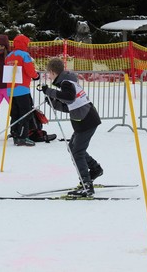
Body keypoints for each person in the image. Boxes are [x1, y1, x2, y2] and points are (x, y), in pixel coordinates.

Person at [40, 57, 103, 196]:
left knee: (77, 152)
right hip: (85, 119)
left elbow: (69, 98)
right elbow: (70, 105)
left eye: (49, 74)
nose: (49, 77)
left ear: (53, 72)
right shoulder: (68, 81)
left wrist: (49, 91)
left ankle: (87, 186)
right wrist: (53, 103)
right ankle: (95, 170)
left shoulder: (66, 83)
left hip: (86, 121)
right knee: (74, 148)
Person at [5, 34, 40, 147]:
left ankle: (14, 132)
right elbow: (29, 70)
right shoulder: (24, 55)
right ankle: (22, 137)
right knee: (25, 113)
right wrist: (36, 76)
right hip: (22, 89)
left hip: (10, 89)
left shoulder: (9, 56)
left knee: (14, 112)